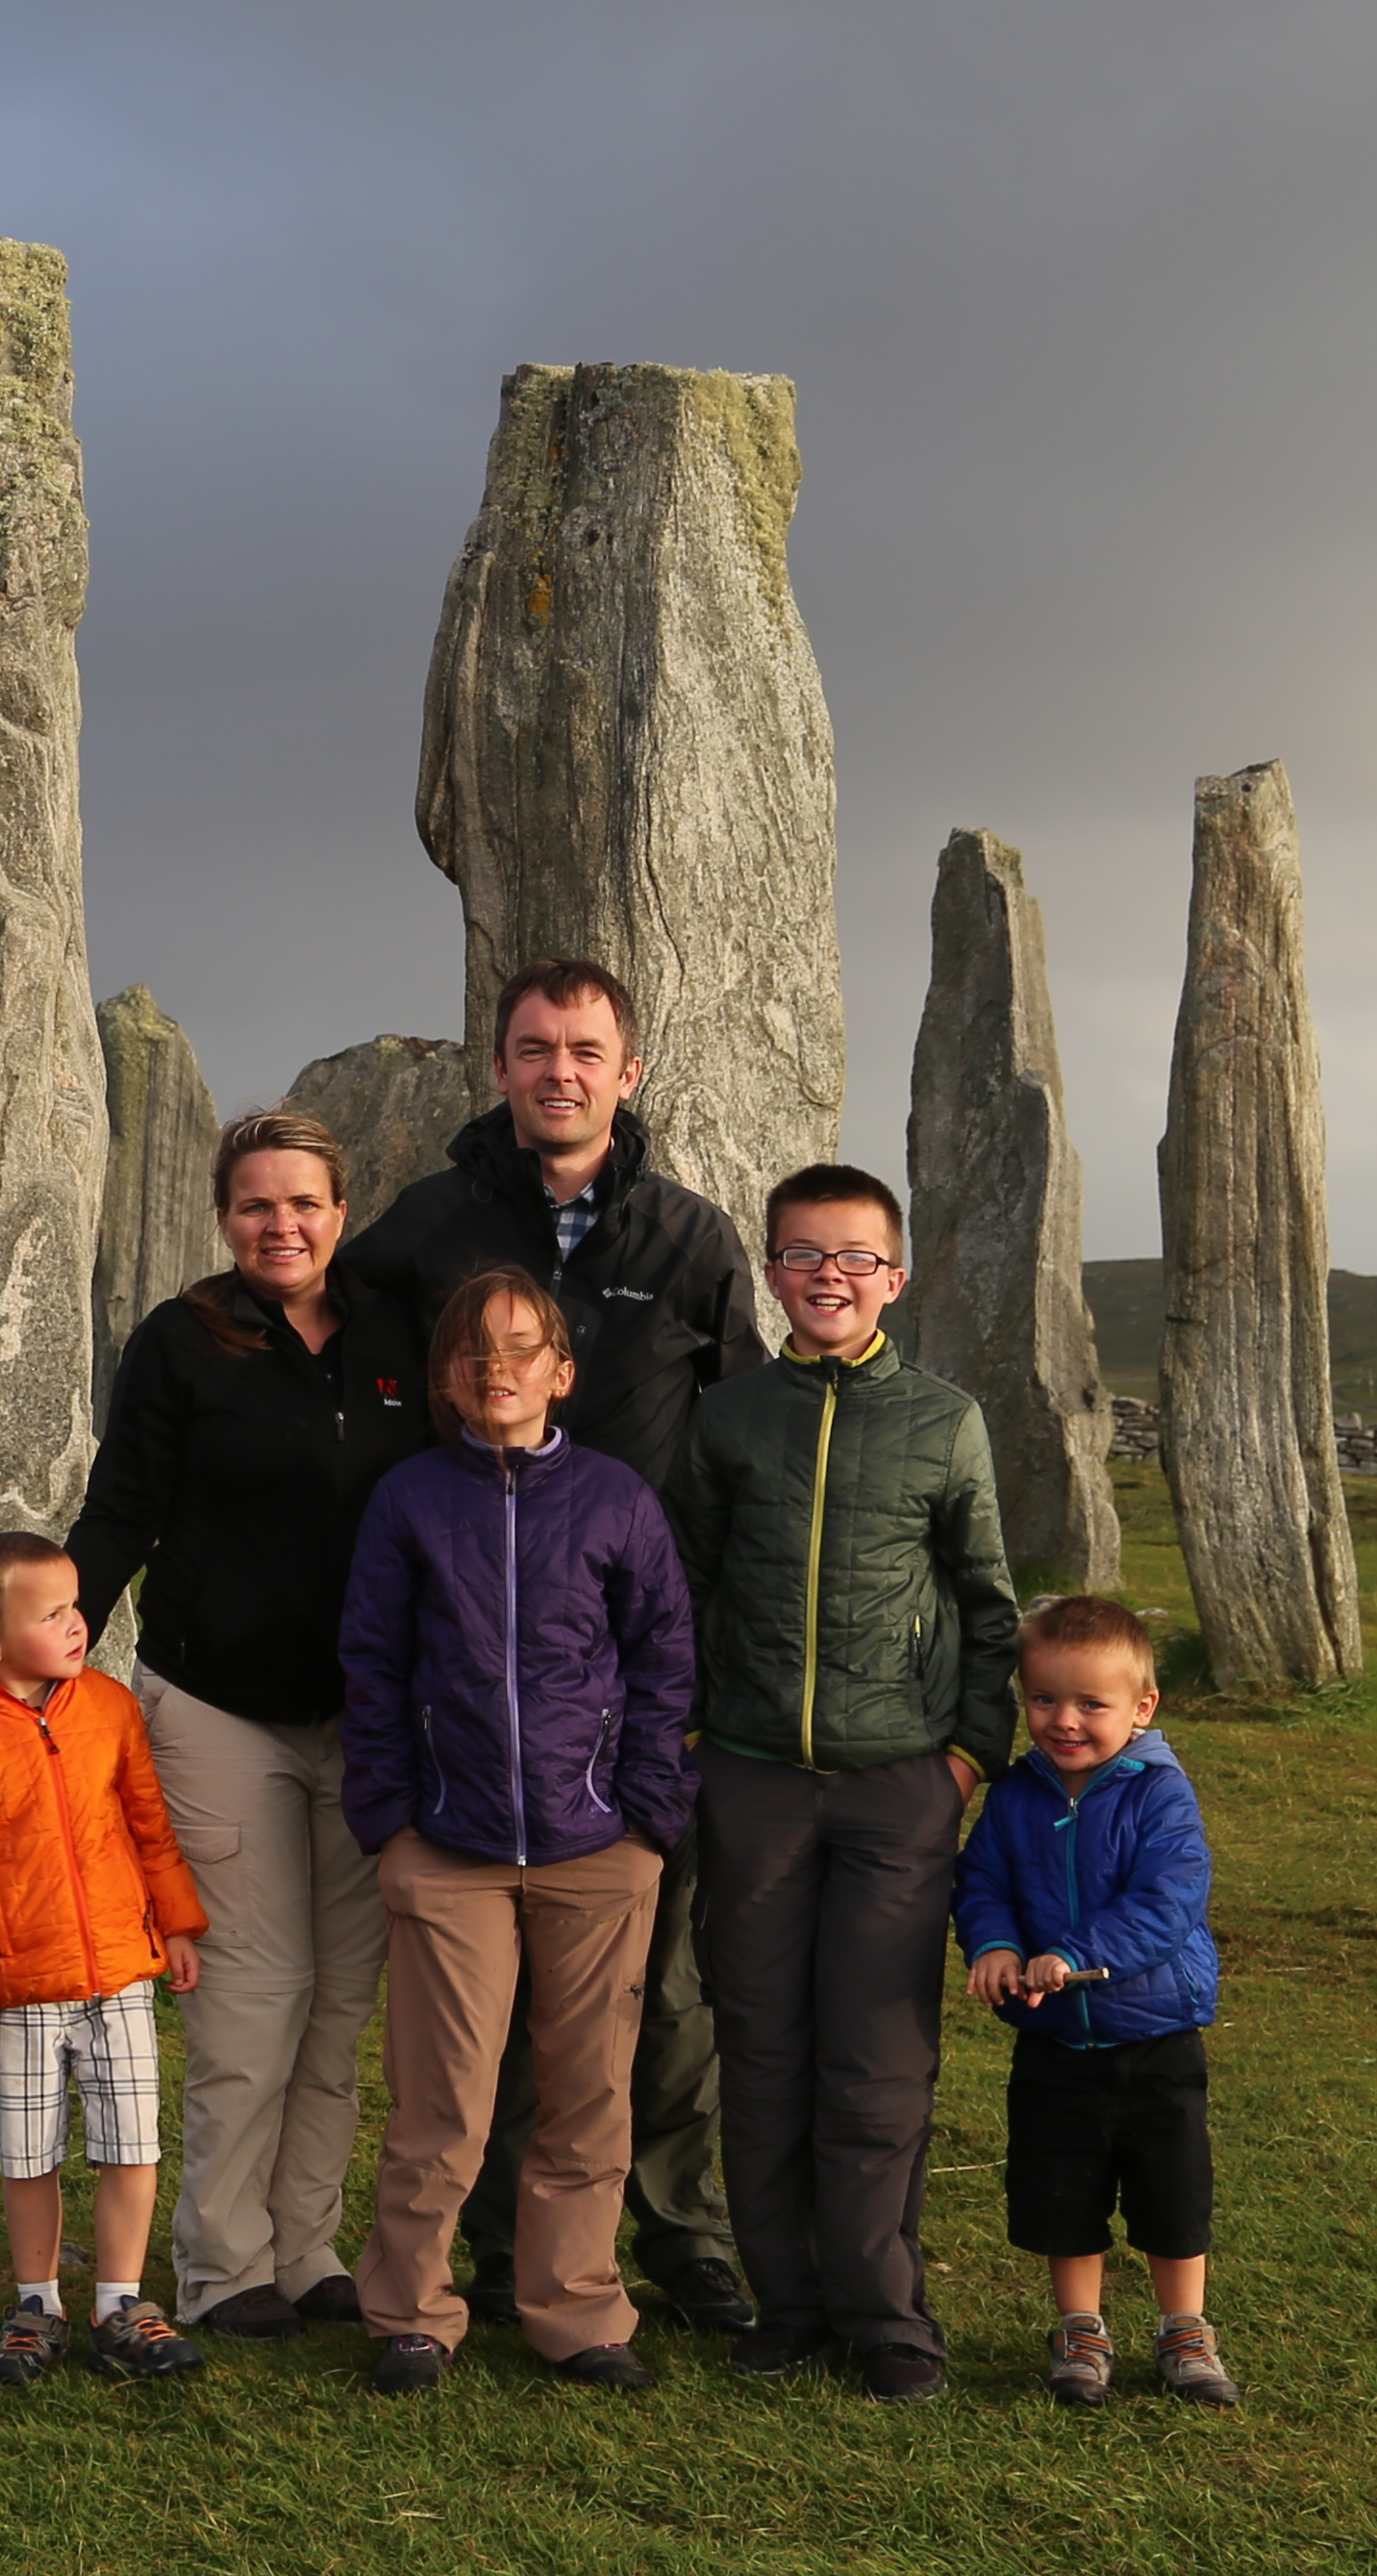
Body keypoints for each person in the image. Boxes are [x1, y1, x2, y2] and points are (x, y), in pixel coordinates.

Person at [351, 959, 767, 2336]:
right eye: (535, 1049)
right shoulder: (427, 1230)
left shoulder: (689, 1241)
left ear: (627, 1071)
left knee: (660, 1994)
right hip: (464, 1657)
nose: (560, 1072)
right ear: (502, 1069)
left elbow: (742, 1439)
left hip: (634, 1674)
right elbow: (341, 1382)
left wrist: (678, 1737)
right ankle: (486, 2248)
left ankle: (682, 2235)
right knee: (485, 2018)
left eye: (586, 1050)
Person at [64, 1106, 438, 2337]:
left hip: (369, 1715)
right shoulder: (184, 1341)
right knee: (250, 1999)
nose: (281, 1226)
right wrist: (54, 1653)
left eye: (304, 1204)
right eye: (254, 1206)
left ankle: (305, 2247)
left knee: (340, 2003)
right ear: (224, 1219)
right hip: (219, 1704)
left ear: (342, 1209)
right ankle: (224, 2265)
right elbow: (122, 1508)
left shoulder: (398, 1331)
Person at [668, 1161, 1021, 2402]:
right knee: (760, 2052)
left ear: (896, 1277)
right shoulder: (731, 1418)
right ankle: (791, 2303)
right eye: (806, 1255)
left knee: (876, 2061)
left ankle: (890, 2321)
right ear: (770, 1272)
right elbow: (687, 1591)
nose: (831, 1276)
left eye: (856, 1257)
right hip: (753, 1780)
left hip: (896, 1787)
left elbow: (987, 1603)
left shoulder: (943, 1419)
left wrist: (968, 1757)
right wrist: (701, 1738)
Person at [335, 1266, 700, 2396]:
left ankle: (575, 2310)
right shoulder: (410, 1500)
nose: (497, 1371)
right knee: (444, 2098)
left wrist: (646, 1817)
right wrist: (391, 1821)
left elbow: (663, 1660)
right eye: (473, 1354)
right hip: (449, 1847)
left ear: (563, 1372)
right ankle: (411, 2312)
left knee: (590, 2095)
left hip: (596, 1845)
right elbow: (374, 1663)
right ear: (446, 1377)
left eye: (522, 1349)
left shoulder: (614, 1499)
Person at [0, 1528, 216, 2386]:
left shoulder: (109, 1707)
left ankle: (120, 2302)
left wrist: (176, 1924)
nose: (78, 1625)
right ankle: (36, 2304)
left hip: (119, 1975)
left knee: (131, 2142)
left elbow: (149, 1823)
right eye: (53, 1614)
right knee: (28, 2153)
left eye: (77, 1607)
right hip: (15, 1984)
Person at [956, 1592, 1236, 2411]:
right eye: (1044, 1699)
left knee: (1171, 2189)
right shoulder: (1013, 1797)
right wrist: (996, 1946)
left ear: (1142, 1708)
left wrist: (1076, 1954)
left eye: (1091, 1704)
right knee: (1061, 2191)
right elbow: (982, 1883)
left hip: (1156, 2033)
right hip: (1052, 2040)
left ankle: (1185, 2327)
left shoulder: (1159, 1793)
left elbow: (1168, 1900)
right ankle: (1080, 2328)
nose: (1064, 1720)